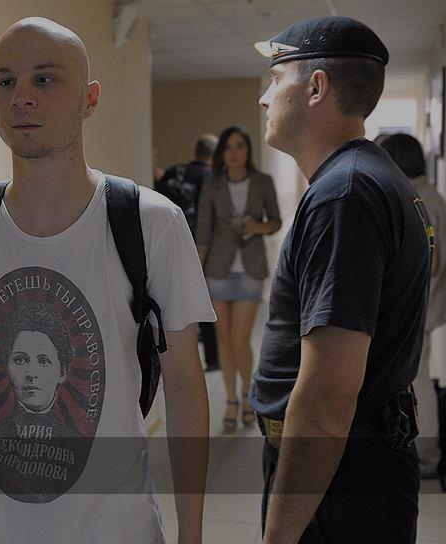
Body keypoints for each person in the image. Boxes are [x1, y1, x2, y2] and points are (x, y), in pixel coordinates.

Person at [0, 17, 214, 544]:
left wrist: (192, 533)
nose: (22, 96)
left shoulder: (151, 223)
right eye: (6, 81)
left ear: (90, 99)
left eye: (44, 79)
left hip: (115, 527)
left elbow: (184, 381)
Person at [251, 16, 431, 543]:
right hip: (355, 465)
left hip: (340, 478)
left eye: (276, 79)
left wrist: (279, 536)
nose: (265, 97)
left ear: (316, 87)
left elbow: (327, 399)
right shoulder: (369, 177)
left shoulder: (344, 196)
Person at [196, 126, 281, 433]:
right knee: (223, 339)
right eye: (229, 147)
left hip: (250, 269)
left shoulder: (263, 181)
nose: (234, 152)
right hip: (218, 269)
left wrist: (257, 227)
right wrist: (195, 274)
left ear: (248, 150)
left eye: (240, 146)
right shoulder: (212, 184)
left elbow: (275, 221)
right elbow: (203, 230)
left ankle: (248, 393)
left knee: (239, 339)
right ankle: (231, 399)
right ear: (221, 153)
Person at [378, 133, 446, 481]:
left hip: (419, 306)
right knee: (415, 378)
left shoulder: (420, 199)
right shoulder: (429, 194)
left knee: (417, 380)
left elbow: (429, 262)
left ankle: (427, 455)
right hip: (425, 305)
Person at [155, 133, 221, 372]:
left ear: (196, 151)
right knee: (204, 301)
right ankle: (213, 359)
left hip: (170, 242)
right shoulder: (211, 178)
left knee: (171, 302)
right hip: (200, 246)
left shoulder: (175, 172)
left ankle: (169, 359)